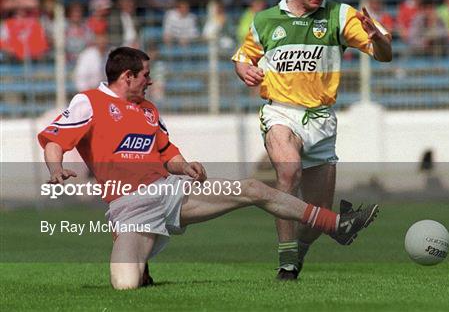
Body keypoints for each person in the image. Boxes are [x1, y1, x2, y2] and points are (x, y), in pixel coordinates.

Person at [38, 47, 376, 290]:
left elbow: (166, 152)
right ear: (127, 76)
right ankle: (141, 270)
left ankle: (336, 224)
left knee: (252, 188)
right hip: (130, 209)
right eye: (145, 75)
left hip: (171, 193)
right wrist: (55, 169)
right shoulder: (89, 101)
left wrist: (185, 166)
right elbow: (55, 139)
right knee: (125, 286)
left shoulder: (148, 110)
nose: (150, 81)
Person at [232, 0, 390, 280]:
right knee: (288, 175)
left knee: (316, 216)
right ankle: (286, 266)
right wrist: (244, 70)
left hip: (321, 119)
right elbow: (243, 57)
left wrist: (380, 40)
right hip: (280, 112)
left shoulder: (340, 15)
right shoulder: (265, 20)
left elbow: (383, 54)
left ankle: (299, 253)